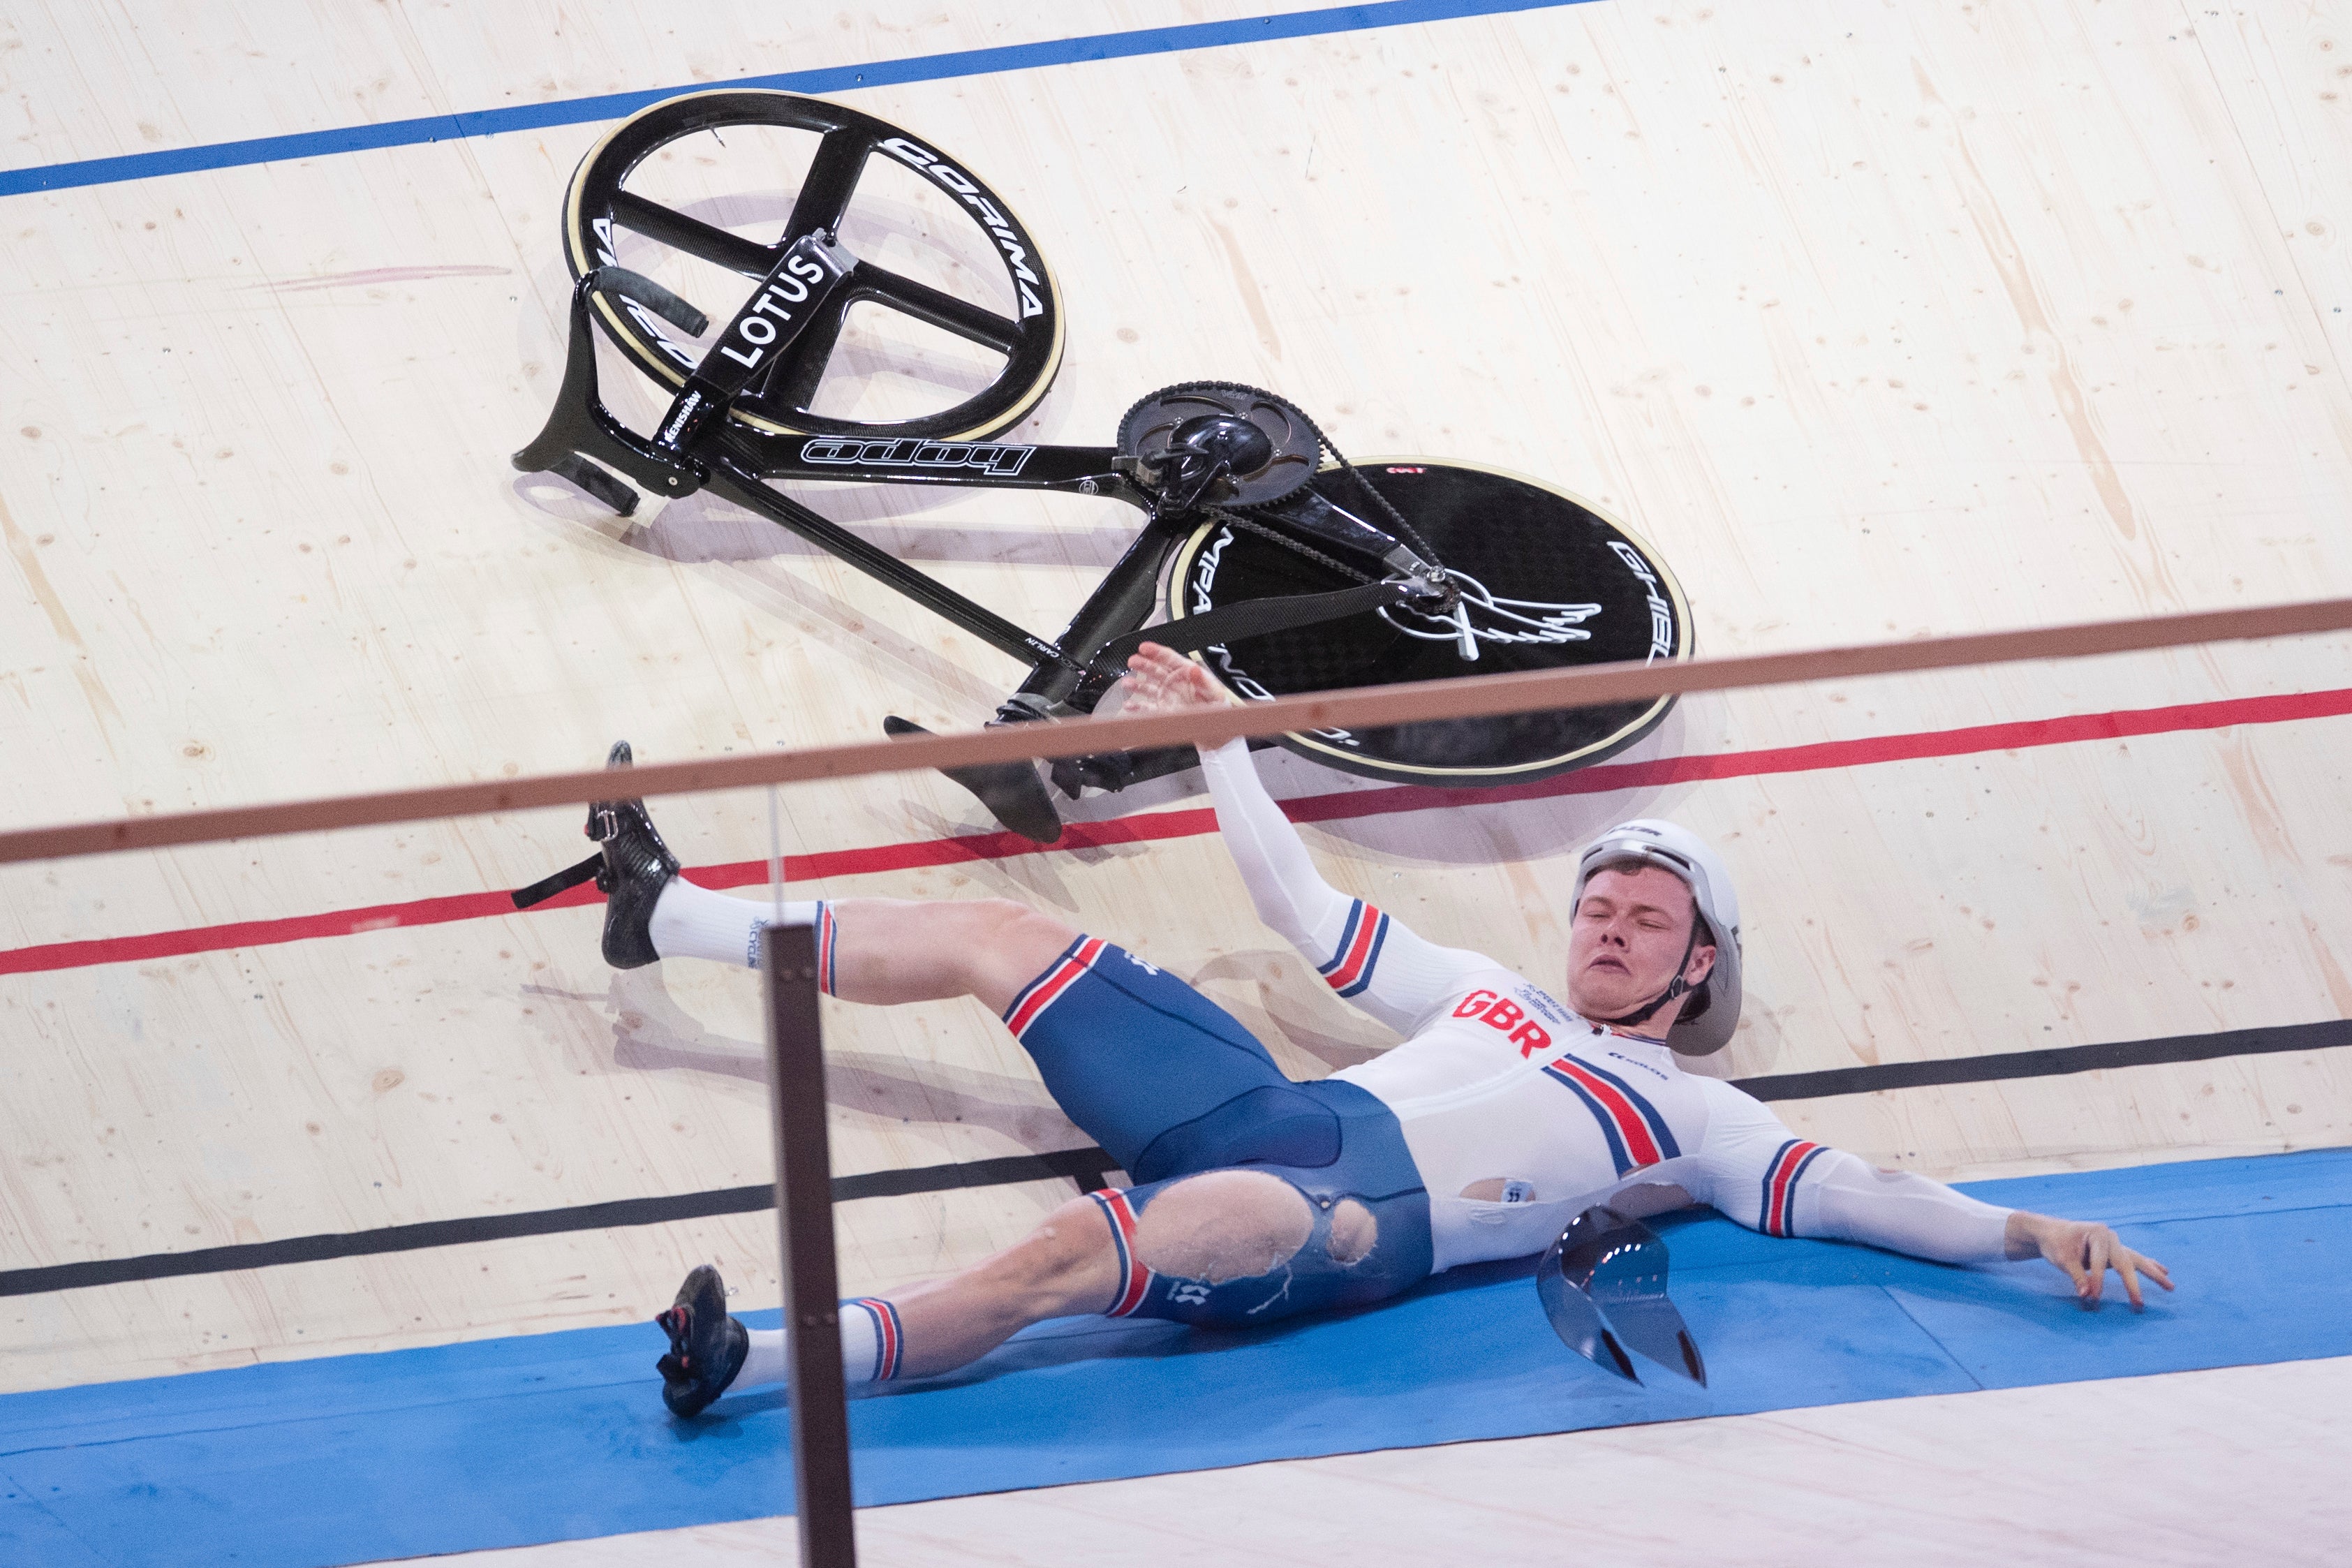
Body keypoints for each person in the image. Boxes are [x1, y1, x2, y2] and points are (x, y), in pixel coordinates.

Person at [590, 646, 2172, 1417]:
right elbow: (1301, 913)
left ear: (1697, 971)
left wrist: (2028, 1228)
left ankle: (750, 1365)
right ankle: (672, 918)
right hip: (1258, 1103)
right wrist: (1221, 743)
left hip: (1342, 1217)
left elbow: (1863, 1195)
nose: (1605, 922)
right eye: (1598, 899)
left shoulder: (1698, 1120)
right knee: (1016, 937)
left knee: (1083, 1252)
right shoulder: (1490, 989)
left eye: (1642, 919)